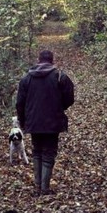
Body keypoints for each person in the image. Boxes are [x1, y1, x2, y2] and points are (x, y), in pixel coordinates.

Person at [16, 50, 75, 195]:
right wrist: (60, 108)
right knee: (49, 153)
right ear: (52, 60)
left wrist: (23, 121)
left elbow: (19, 103)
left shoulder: (26, 78)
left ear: (38, 60)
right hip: (53, 122)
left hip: (34, 122)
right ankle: (44, 188)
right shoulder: (60, 76)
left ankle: (38, 185)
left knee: (37, 151)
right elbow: (70, 98)